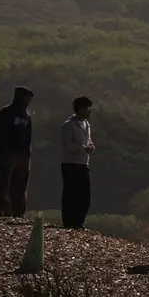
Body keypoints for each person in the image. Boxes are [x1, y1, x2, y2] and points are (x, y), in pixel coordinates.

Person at [0, 87, 35, 218]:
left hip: (23, 153)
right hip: (8, 152)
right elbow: (0, 133)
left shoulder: (27, 115)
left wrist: (28, 152)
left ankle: (18, 210)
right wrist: (4, 149)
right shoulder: (6, 112)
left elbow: (28, 136)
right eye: (27, 98)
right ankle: (2, 208)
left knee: (20, 183)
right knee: (6, 181)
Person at [59, 96, 96, 229]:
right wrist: (82, 148)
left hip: (83, 163)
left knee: (84, 195)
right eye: (87, 108)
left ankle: (79, 221)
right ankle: (69, 222)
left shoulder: (86, 124)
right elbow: (67, 144)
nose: (89, 111)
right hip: (70, 163)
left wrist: (90, 146)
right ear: (79, 108)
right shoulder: (68, 125)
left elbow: (88, 139)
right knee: (71, 193)